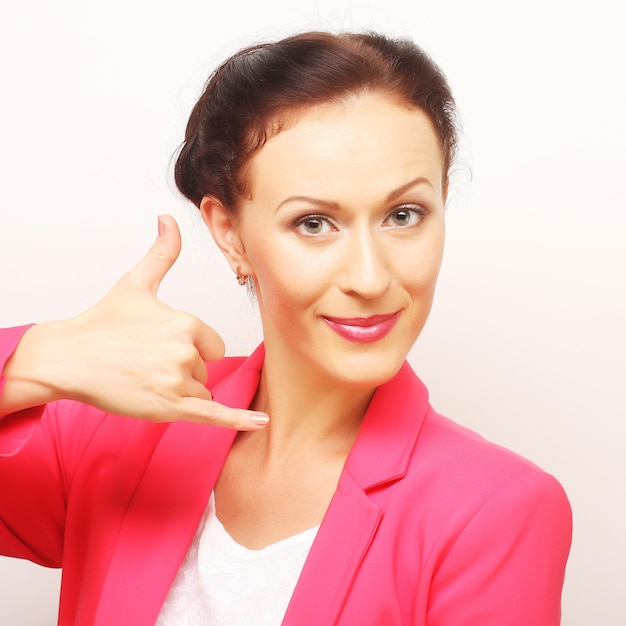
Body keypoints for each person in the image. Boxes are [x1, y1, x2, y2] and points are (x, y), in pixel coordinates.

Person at [0, 31, 572, 625]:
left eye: (404, 215)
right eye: (315, 223)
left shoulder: (496, 511)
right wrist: (42, 357)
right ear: (229, 232)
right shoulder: (115, 432)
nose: (370, 277)